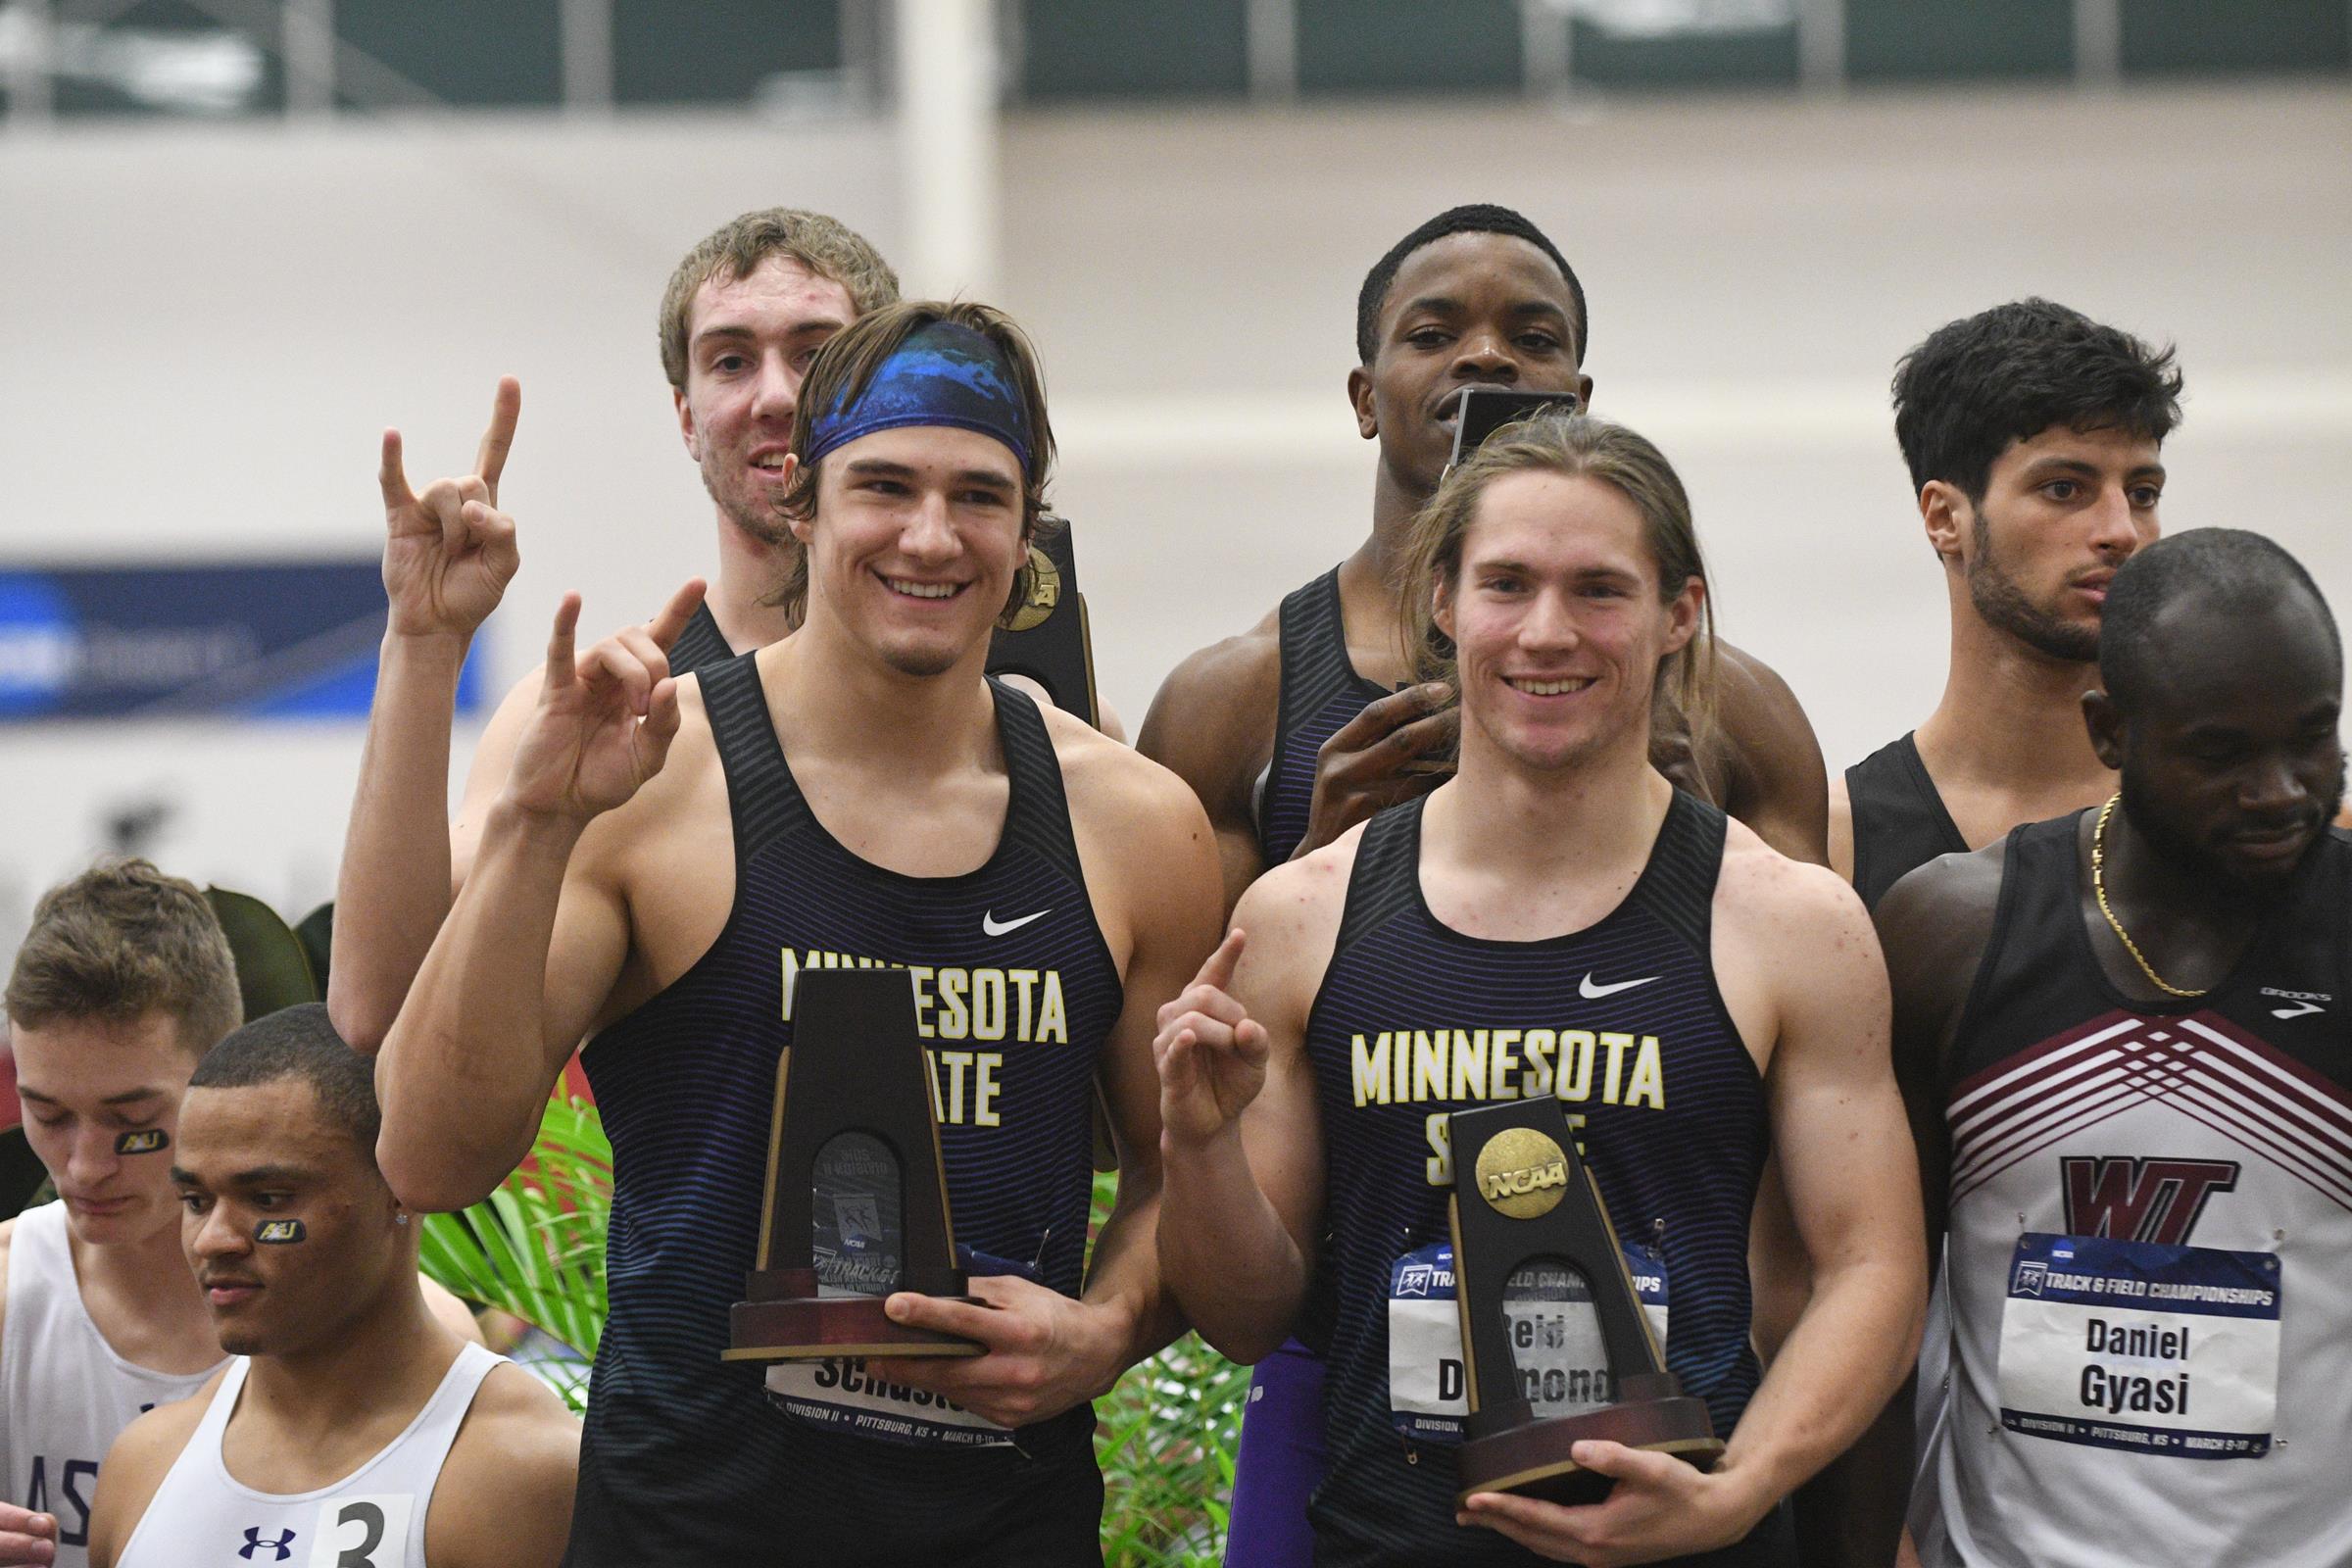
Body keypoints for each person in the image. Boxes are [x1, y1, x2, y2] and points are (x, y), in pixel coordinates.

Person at [368, 300, 1224, 1563]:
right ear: (801, 502)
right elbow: (428, 1158)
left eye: (978, 496)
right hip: (687, 1529)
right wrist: (535, 829)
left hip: (1003, 1530)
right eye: (884, 486)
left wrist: (1107, 1328)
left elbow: (1176, 1181)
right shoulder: (654, 777)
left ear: (1026, 529)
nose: (930, 535)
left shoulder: (1137, 825)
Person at [1136, 204, 1833, 1565]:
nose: (1484, 360)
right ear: (1364, 393)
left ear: (1581, 390)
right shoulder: (1238, 695)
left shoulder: (1739, 712)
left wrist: (1750, 1455)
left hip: (1663, 1370)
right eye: (1435, 331)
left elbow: (1777, 1098)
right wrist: (1328, 854)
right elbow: (1183, 1049)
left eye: (1531, 335)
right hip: (1345, 1359)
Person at [1875, 528, 2348, 1567]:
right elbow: (1868, 1300)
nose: (2280, 790)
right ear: (2111, 732)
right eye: (2221, 753)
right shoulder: (1952, 933)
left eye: (2313, 737)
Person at [328, 208, 901, 1052]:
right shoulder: (604, 715)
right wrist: (423, 644)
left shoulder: (1026, 713)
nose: (776, 396)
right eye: (731, 361)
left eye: (815, 354)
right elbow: (383, 1009)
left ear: (893, 395)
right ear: (686, 417)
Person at [1808, 299, 2181, 1567]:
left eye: (2142, 489)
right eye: (2066, 487)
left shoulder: (2268, 840)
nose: (2120, 529)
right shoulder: (1834, 847)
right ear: (1945, 515)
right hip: (1937, 1507)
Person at [0, 862, 479, 1568]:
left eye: (132, 1123)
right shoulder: (11, 1295)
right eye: (48, 1116)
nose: (85, 1165)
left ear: (223, 1075)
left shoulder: (409, 1333)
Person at [85, 1004, 577, 1568]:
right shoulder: (147, 1463)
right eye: (196, 1201)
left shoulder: (518, 1472)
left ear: (399, 1189)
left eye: (269, 1199)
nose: (213, 1240)